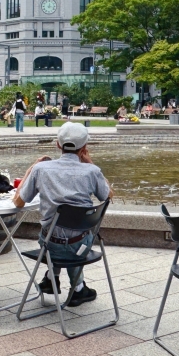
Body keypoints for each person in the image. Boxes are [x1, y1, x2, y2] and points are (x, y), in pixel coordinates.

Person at [14, 122, 110, 306]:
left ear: (58, 144)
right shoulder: (92, 171)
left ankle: (52, 278)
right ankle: (78, 289)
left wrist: (30, 170)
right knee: (76, 236)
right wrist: (90, 163)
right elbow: (108, 195)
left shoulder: (41, 169)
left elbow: (19, 202)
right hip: (80, 245)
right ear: (84, 147)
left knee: (54, 230)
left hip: (49, 244)